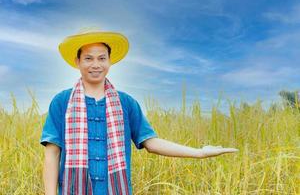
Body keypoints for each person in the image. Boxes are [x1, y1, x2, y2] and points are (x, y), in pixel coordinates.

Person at [40, 28, 238, 195]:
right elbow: (52, 154)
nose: (95, 64)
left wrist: (200, 153)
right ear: (77, 61)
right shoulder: (62, 102)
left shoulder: (126, 103)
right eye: (88, 58)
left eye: (102, 58)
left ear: (110, 61)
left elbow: (151, 142)